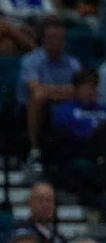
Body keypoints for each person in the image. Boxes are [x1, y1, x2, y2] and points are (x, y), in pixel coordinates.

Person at [18, 18, 79, 159]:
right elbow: (35, 87)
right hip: (30, 106)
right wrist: (63, 91)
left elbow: (78, 88)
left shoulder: (73, 62)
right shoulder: (30, 60)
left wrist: (51, 91)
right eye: (52, 38)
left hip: (62, 103)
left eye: (60, 38)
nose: (57, 42)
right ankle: (34, 149)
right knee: (38, 96)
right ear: (43, 40)